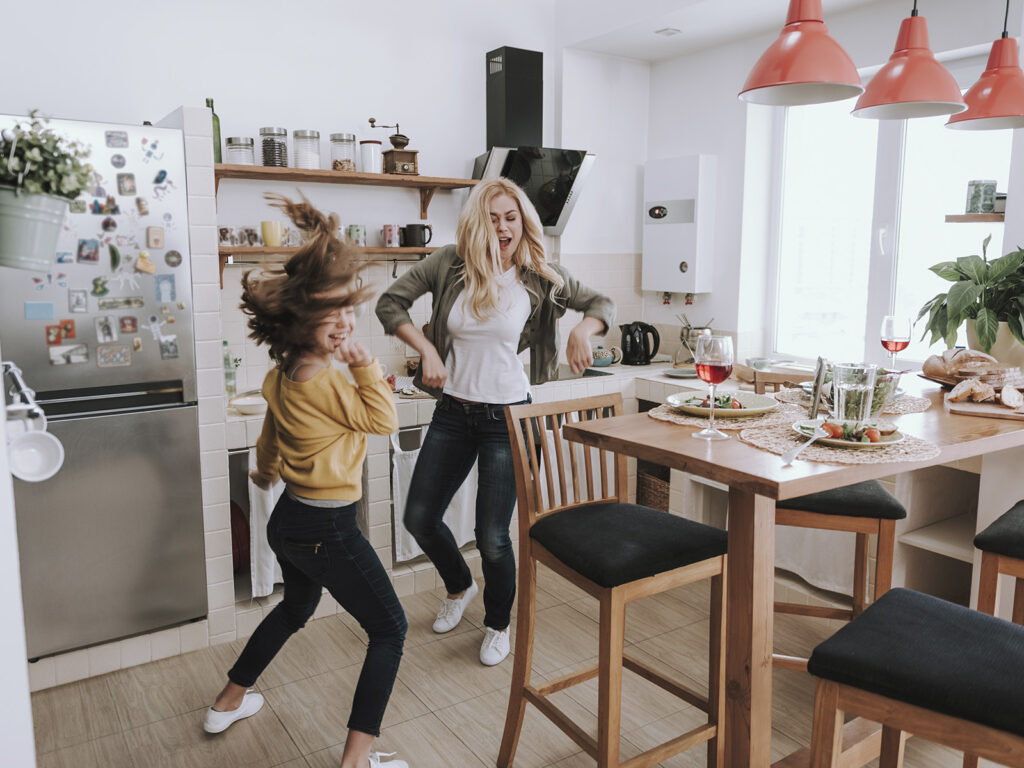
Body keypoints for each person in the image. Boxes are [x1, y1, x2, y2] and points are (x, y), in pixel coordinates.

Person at [204, 194, 409, 768]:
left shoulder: (282, 374)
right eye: (330, 313)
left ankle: (227, 702)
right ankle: (356, 760)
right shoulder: (334, 383)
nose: (345, 322)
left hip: (289, 520)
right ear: (298, 321)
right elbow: (383, 421)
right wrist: (366, 365)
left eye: (347, 308)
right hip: (328, 528)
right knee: (390, 628)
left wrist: (265, 471)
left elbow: (270, 435)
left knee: (296, 608)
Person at [375, 178, 614, 666]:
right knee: (419, 517)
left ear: (522, 222)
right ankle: (459, 586)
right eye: (492, 217)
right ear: (475, 223)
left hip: (508, 418)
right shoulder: (449, 263)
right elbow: (389, 304)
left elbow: (600, 305)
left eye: (511, 217)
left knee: (492, 537)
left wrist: (583, 331)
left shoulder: (539, 275)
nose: (502, 227)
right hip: (453, 412)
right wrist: (426, 351)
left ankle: (498, 623)